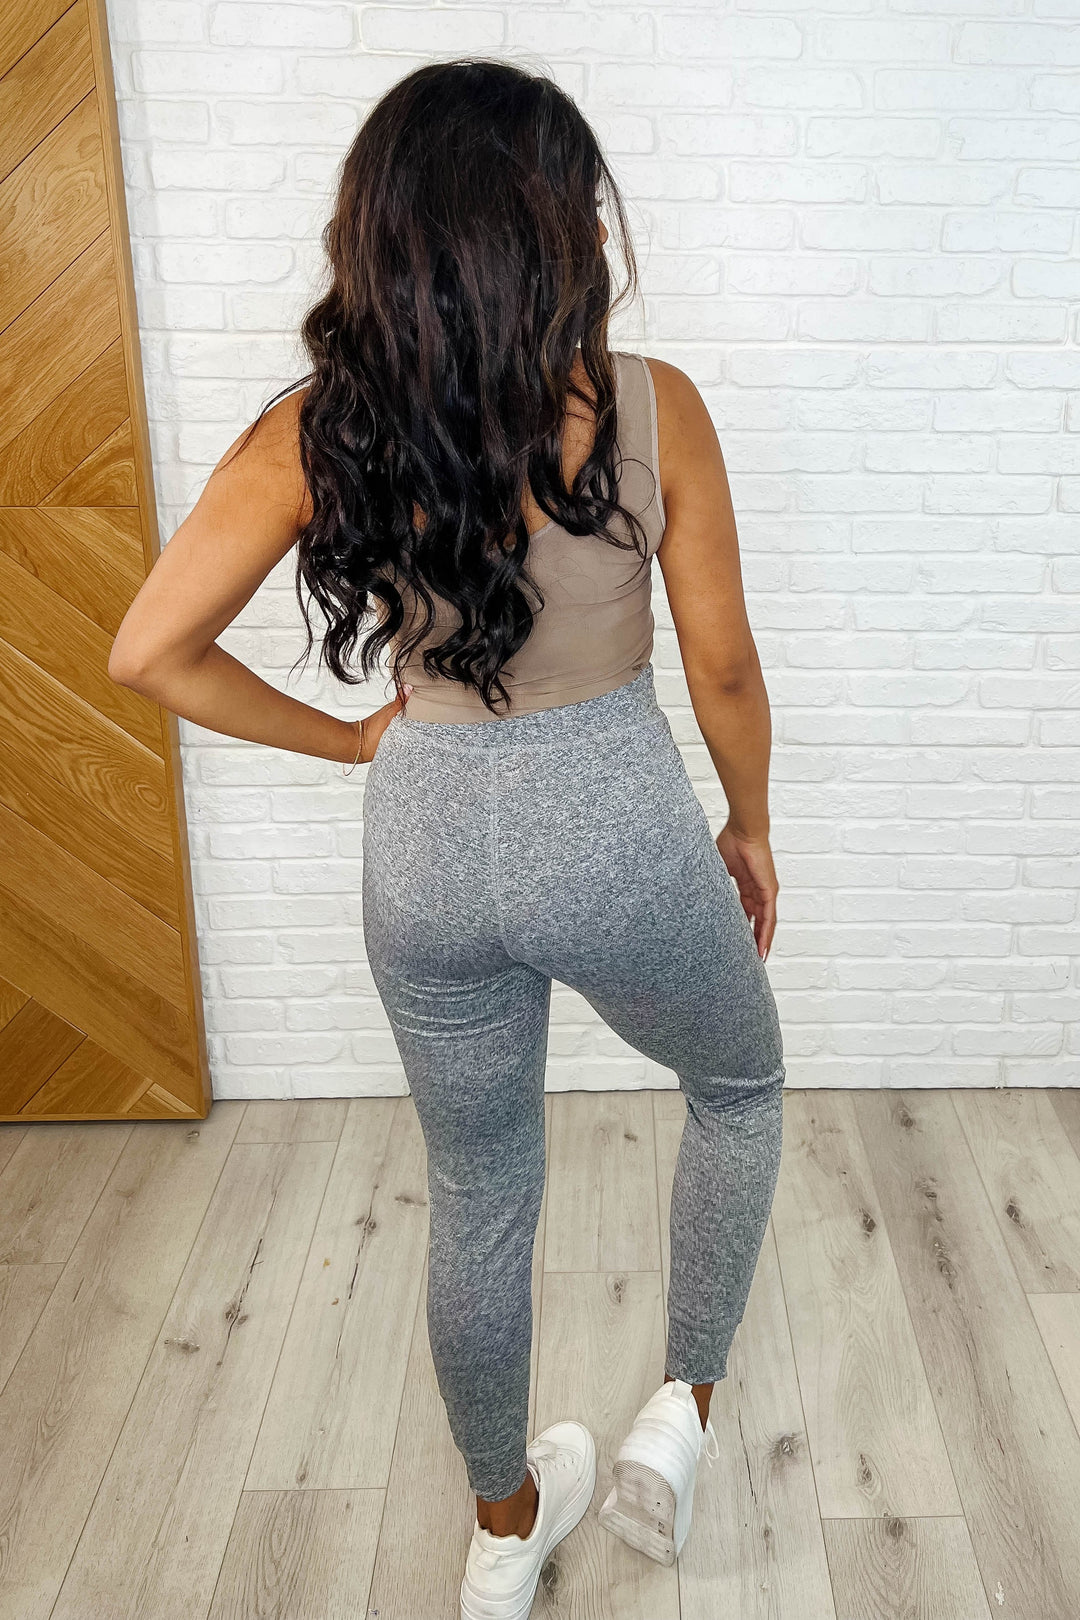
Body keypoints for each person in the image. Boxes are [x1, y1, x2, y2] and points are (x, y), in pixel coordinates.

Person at [109, 57, 786, 1620]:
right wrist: (747, 825)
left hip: (420, 842)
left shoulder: (318, 431)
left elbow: (148, 650)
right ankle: (680, 1413)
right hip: (610, 822)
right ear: (556, 227)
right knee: (742, 1083)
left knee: (479, 1188)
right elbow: (725, 670)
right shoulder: (647, 404)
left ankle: (501, 1533)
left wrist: (357, 738)